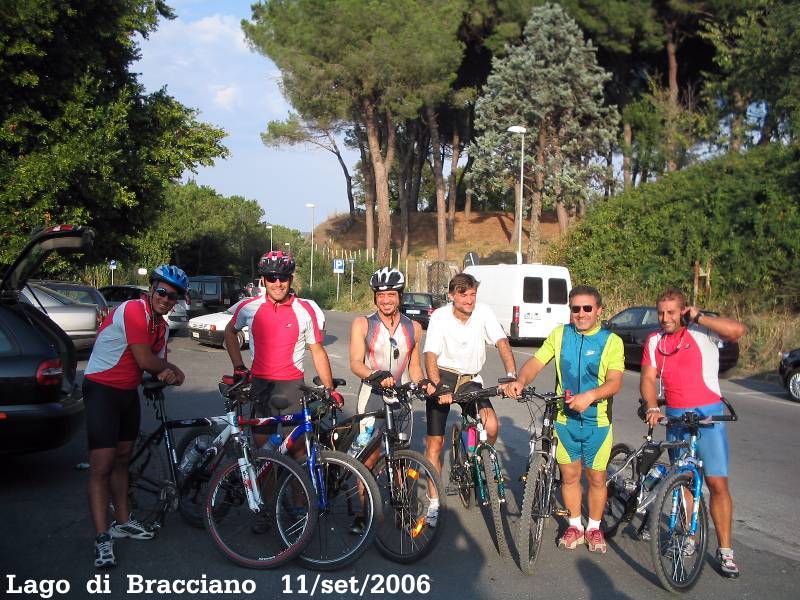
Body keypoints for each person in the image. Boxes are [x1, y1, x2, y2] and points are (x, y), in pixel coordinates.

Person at [84, 264, 188, 568]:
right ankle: (102, 537)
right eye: (162, 291)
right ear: (151, 288)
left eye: (173, 296)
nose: (166, 299)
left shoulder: (163, 327)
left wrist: (167, 374)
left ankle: (123, 521)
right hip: (102, 389)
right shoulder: (133, 310)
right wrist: (174, 373)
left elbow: (158, 365)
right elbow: (146, 359)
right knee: (102, 465)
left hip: (127, 393)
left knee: (123, 457)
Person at [507, 285, 624, 554]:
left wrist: (590, 396)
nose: (581, 314)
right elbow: (537, 361)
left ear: (599, 311)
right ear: (570, 310)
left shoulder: (611, 341)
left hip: (597, 422)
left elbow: (615, 382)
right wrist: (521, 380)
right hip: (565, 419)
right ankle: (575, 525)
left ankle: (594, 528)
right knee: (570, 476)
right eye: (575, 309)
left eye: (587, 308)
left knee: (596, 478)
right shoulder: (560, 335)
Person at [640, 288, 747, 578]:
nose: (665, 318)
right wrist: (652, 406)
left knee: (716, 484)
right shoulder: (655, 341)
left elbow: (737, 331)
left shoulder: (702, 333)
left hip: (709, 416)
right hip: (675, 417)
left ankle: (725, 550)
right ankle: (689, 536)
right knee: (684, 480)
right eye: (661, 312)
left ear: (684, 311)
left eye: (671, 312)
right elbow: (648, 378)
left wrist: (701, 317)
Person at [423, 272, 517, 526]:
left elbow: (501, 342)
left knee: (491, 426)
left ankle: (477, 457)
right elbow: (430, 355)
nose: (469, 299)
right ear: (452, 296)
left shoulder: (483, 312)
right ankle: (433, 504)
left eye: (473, 293)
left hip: (469, 379)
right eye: (463, 294)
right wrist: (437, 385)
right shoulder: (441, 316)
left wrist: (511, 375)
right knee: (434, 444)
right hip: (442, 377)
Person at [224, 250, 340, 455]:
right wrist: (239, 367)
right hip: (261, 388)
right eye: (271, 278)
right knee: (264, 457)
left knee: (298, 456)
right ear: (263, 280)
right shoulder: (249, 307)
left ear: (291, 279)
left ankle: (298, 487)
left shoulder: (306, 309)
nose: (278, 283)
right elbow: (229, 332)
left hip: (293, 389)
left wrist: (329, 389)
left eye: (283, 277)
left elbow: (317, 350)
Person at [348, 267, 424, 532]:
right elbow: (356, 363)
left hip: (401, 398)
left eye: (391, 294)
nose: (386, 300)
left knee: (401, 457)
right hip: (372, 397)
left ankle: (403, 510)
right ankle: (364, 512)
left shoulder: (414, 328)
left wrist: (421, 382)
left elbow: (414, 366)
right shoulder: (363, 324)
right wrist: (376, 375)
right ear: (375, 297)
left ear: (399, 296)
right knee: (368, 456)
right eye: (381, 295)